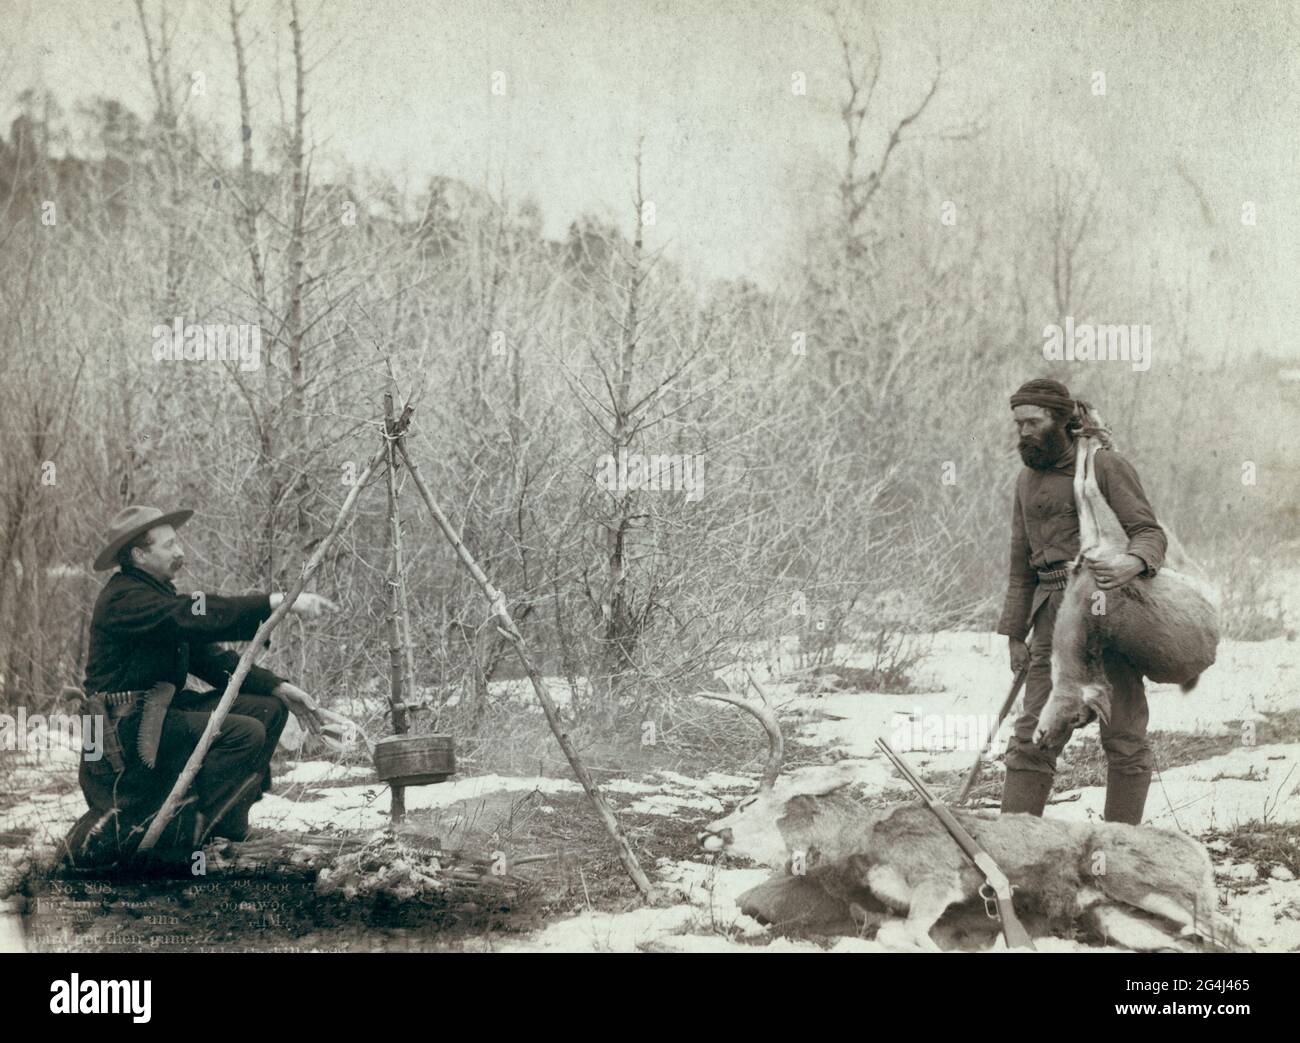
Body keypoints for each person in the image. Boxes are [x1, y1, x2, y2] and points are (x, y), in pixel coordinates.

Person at [67, 505, 336, 861]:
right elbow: (192, 613)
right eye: (169, 546)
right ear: (139, 554)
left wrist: (277, 686)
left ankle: (229, 827)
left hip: (157, 718)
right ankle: (186, 836)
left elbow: (210, 659)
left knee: (267, 710)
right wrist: (273, 602)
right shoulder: (125, 598)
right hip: (122, 734)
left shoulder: (157, 596)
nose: (180, 553)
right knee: (242, 733)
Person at [996, 378, 1166, 825]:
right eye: (1018, 424)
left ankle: (1121, 847)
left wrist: (1134, 562)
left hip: (1105, 615)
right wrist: (1015, 633)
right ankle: (1016, 849)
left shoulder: (1105, 467)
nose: (1024, 433)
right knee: (1033, 735)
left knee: (1123, 736)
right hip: (1050, 622)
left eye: (1033, 422)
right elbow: (1020, 564)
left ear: (1062, 421)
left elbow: (1150, 533)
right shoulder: (1026, 481)